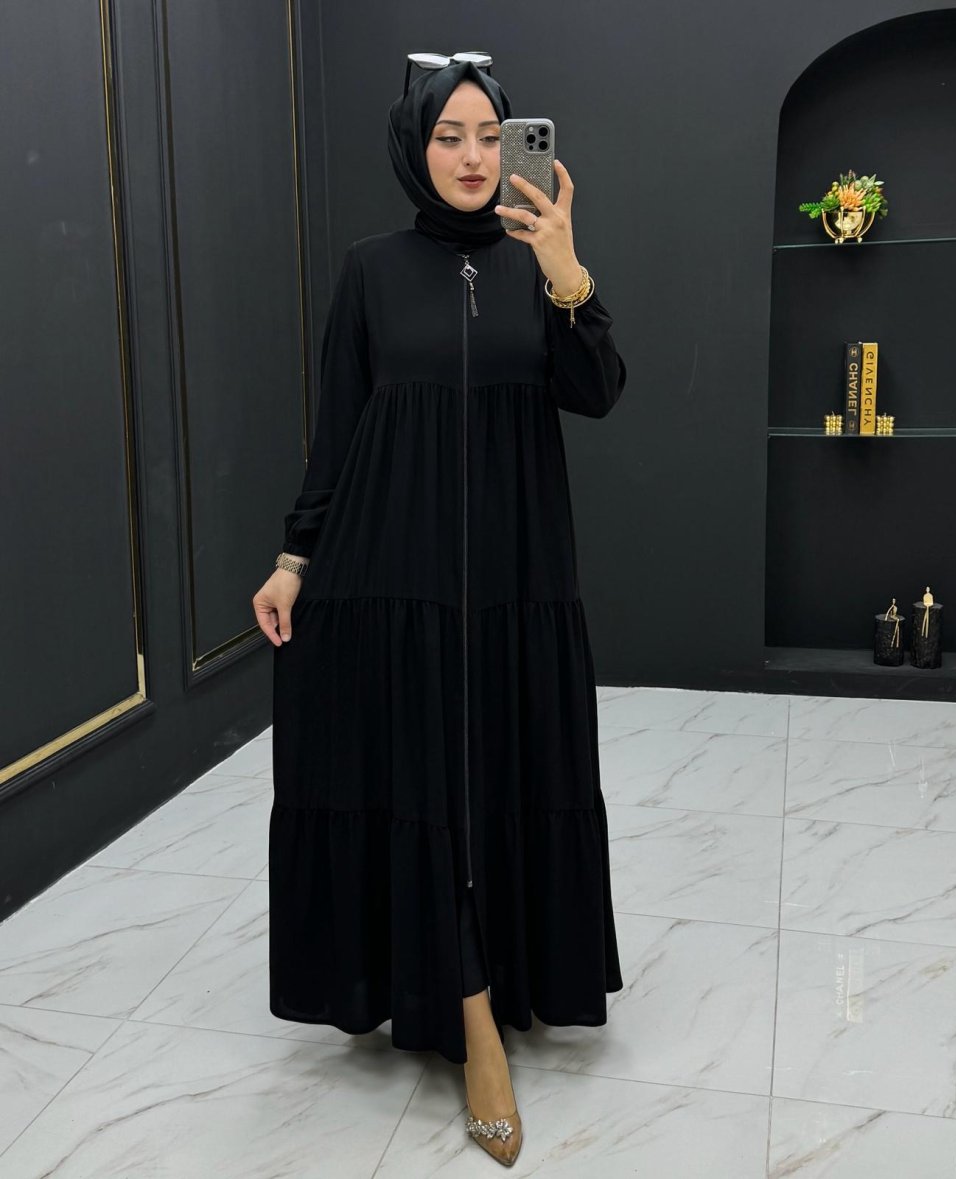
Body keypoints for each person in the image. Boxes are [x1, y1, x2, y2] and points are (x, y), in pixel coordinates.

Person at [251, 55, 627, 1168]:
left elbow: (597, 391)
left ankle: (500, 980)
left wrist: (566, 271)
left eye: (489, 136)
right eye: (449, 135)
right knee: (422, 784)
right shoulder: (371, 271)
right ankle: (471, 1020)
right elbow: (338, 426)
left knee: (496, 776)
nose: (472, 156)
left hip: (514, 583)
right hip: (392, 578)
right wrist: (294, 558)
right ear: (415, 148)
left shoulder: (537, 262)